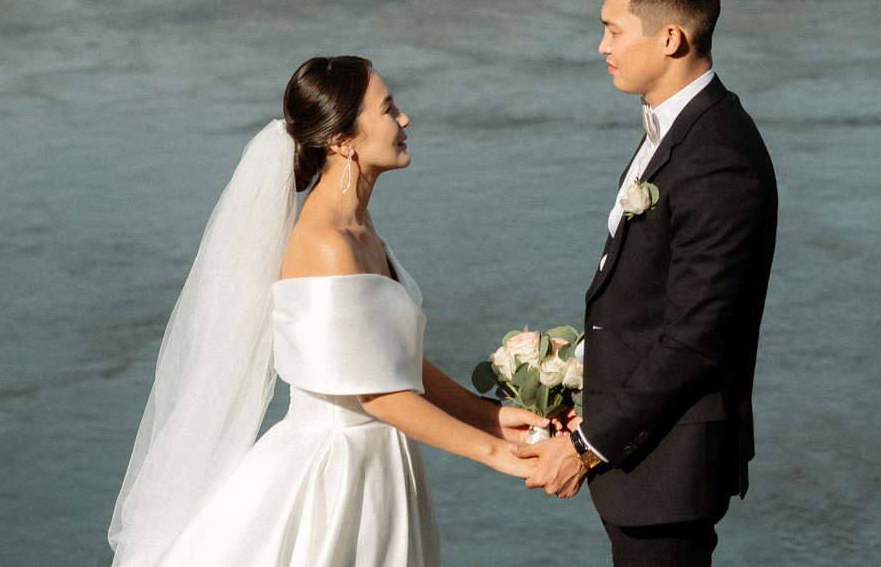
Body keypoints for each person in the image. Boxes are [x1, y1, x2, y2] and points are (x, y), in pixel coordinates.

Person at [108, 55, 555, 567]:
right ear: (343, 140)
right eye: (388, 109)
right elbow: (379, 394)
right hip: (336, 477)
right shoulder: (326, 243)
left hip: (383, 462)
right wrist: (497, 454)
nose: (404, 120)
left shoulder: (361, 229)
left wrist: (493, 418)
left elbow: (393, 364)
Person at [514, 0, 780, 566]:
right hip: (643, 457)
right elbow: (643, 299)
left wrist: (586, 445)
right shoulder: (675, 132)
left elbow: (695, 339)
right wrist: (573, 375)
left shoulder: (717, 156)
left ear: (669, 37)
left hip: (670, 466)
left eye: (612, 30)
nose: (600, 46)